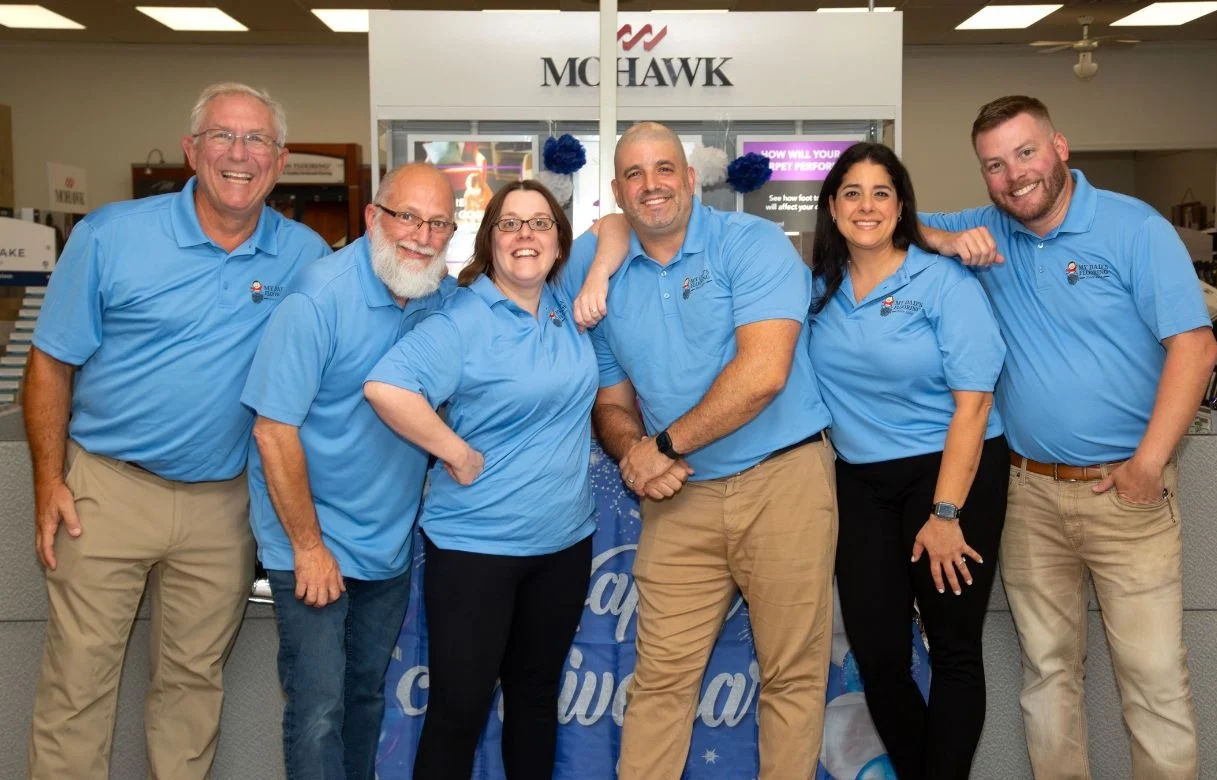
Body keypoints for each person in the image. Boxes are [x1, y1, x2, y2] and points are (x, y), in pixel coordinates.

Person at [24, 83, 329, 779]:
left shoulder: (305, 255)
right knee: (78, 684)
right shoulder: (110, 235)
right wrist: (49, 483)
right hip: (106, 490)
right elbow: (49, 364)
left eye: (257, 141)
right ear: (192, 150)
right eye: (223, 136)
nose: (240, 154)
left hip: (223, 505)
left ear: (279, 161)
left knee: (192, 686)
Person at [920, 95, 1217, 779]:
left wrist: (1148, 463)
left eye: (1025, 153)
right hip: (1029, 495)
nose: (1013, 175)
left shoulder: (1132, 229)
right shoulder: (988, 231)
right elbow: (885, 225)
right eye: (994, 165)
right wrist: (945, 240)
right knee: (1047, 677)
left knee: (1154, 683)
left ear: (1060, 147)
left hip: (1129, 498)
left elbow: (1195, 349)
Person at [564, 121, 838, 779]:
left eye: (664, 169)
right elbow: (611, 402)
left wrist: (659, 445)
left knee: (792, 678)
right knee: (659, 679)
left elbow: (764, 373)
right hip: (680, 495)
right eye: (634, 175)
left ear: (692, 178)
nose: (651, 185)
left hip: (784, 482)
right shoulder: (604, 275)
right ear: (617, 192)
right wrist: (634, 450)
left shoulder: (754, 243)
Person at [363, 179, 597, 780]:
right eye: (510, 223)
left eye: (540, 223)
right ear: (489, 240)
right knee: (459, 712)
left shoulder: (563, 301)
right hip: (476, 553)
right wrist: (456, 452)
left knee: (535, 702)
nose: (526, 235)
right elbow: (386, 387)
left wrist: (595, 280)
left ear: (559, 241)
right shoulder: (464, 319)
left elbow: (618, 226)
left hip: (563, 548)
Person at [241, 162, 457, 779]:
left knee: (364, 698)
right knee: (318, 710)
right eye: (407, 216)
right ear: (372, 217)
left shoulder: (436, 295)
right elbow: (272, 430)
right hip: (311, 543)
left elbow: (530, 276)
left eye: (438, 222)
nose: (421, 235)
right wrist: (308, 548)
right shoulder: (317, 298)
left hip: (383, 548)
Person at [808, 142, 1008, 779]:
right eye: (852, 194)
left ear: (901, 208)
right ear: (832, 208)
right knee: (877, 654)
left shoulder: (943, 280)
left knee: (952, 649)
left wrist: (945, 513)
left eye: (881, 193)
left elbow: (973, 406)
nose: (866, 207)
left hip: (952, 471)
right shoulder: (816, 289)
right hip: (861, 480)